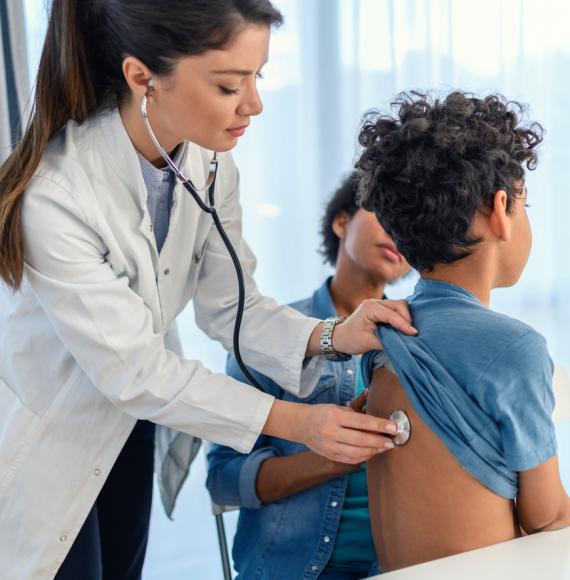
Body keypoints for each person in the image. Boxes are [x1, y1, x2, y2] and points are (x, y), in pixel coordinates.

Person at [0, 2, 418, 579]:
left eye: (258, 76)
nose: (254, 104)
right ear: (142, 77)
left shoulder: (209, 164)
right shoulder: (57, 197)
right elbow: (136, 371)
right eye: (229, 85)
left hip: (127, 433)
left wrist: (333, 335)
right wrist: (300, 424)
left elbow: (233, 308)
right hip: (52, 440)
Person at [356, 91, 570, 572]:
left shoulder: (387, 335)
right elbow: (548, 516)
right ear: (500, 209)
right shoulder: (515, 348)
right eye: (525, 203)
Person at [207, 171, 411, 580]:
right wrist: (330, 458)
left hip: (398, 565)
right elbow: (223, 480)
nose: (397, 233)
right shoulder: (269, 332)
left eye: (409, 226)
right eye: (383, 213)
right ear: (341, 222)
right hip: (293, 568)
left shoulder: (420, 343)